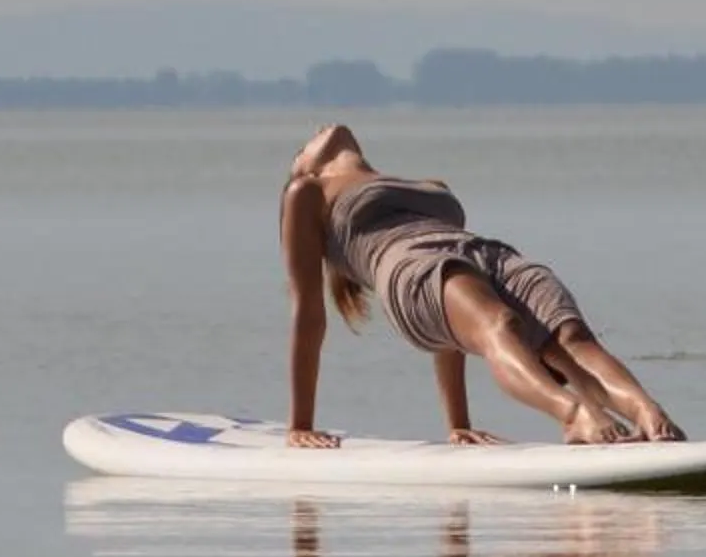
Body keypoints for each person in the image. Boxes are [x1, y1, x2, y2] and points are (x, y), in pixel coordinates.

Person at [278, 123, 681, 450]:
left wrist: (458, 424)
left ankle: (645, 410)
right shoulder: (307, 192)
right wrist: (300, 426)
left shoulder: (427, 184)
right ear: (302, 166)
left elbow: (452, 334)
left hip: (485, 253)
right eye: (302, 147)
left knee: (568, 337)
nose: (319, 131)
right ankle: (574, 414)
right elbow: (308, 312)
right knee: (500, 324)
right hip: (411, 267)